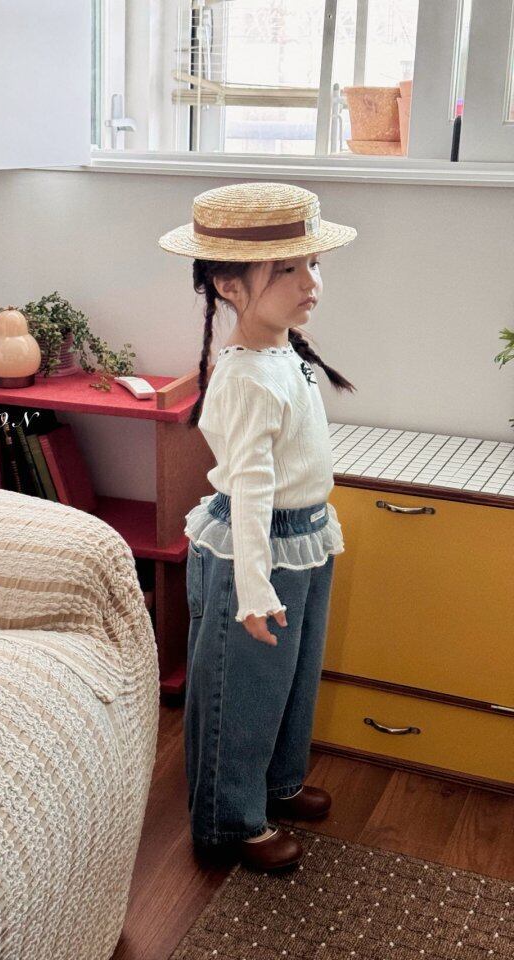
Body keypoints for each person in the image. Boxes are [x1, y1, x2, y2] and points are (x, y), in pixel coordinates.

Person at [158, 182, 358, 872]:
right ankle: (230, 820)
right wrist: (252, 586)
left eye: (313, 264)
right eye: (287, 269)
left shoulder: (285, 353)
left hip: (303, 537)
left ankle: (277, 784)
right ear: (229, 286)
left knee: (290, 678)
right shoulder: (246, 378)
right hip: (257, 547)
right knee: (240, 691)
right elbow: (249, 490)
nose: (311, 283)